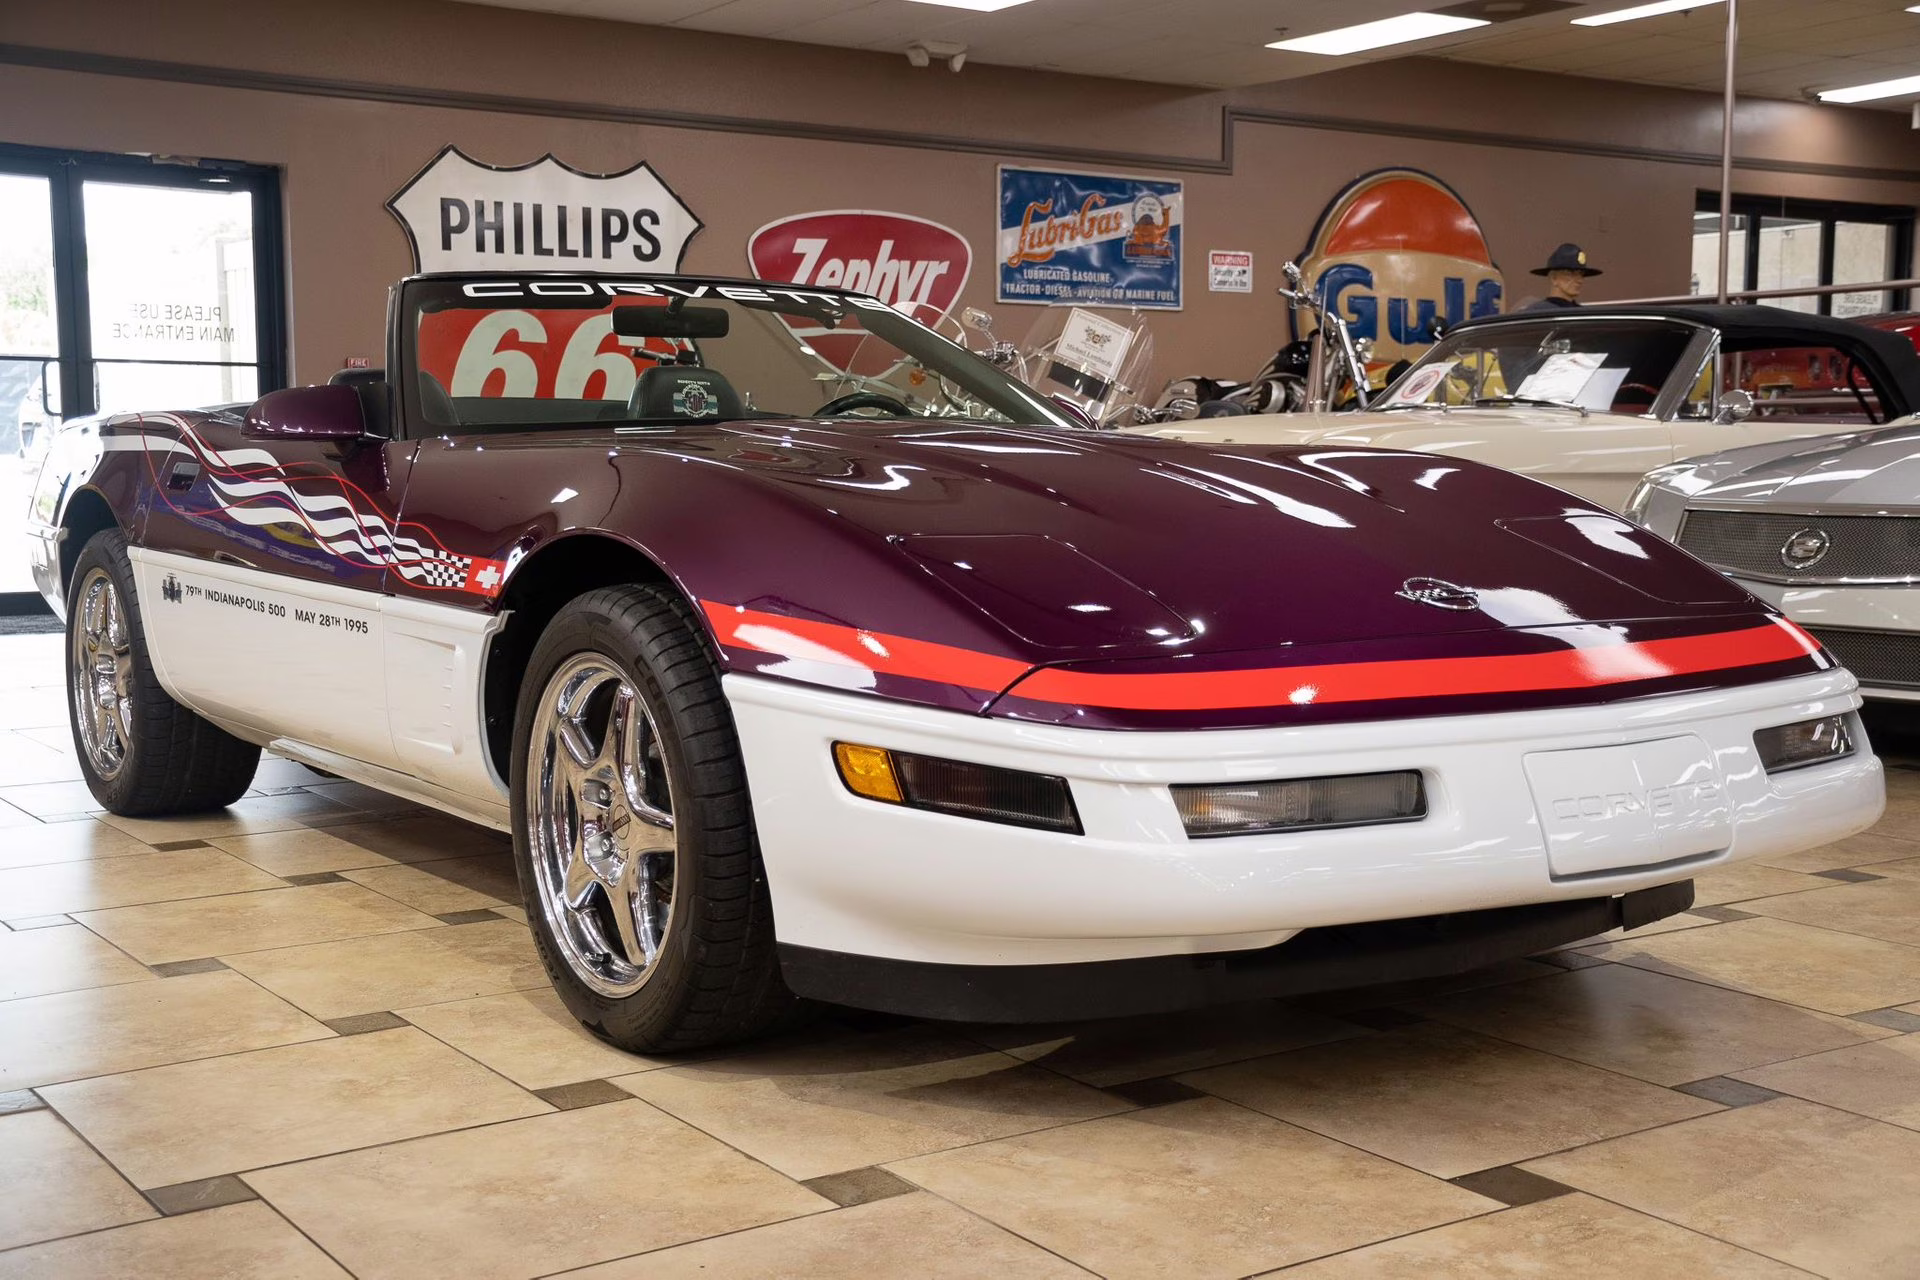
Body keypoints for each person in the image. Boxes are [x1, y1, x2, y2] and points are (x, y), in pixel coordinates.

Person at [1521, 243, 1602, 310]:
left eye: (1581, 274)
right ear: (1554, 278)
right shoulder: (1537, 313)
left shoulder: (1584, 315)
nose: (1579, 280)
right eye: (1571, 273)